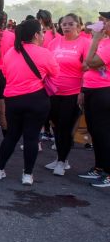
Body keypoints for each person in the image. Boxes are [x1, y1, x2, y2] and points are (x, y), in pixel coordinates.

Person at [0, 19, 59, 185]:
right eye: (42, 32)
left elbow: (7, 74)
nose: (43, 35)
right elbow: (55, 72)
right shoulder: (44, 53)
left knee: (11, 136)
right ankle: (27, 175)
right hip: (37, 99)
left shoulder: (10, 53)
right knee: (31, 138)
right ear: (36, 35)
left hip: (13, 100)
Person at [44, 13, 91, 176]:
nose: (66, 27)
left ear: (79, 26)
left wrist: (82, 91)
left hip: (73, 93)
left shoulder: (85, 43)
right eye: (64, 24)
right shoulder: (54, 42)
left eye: (71, 24)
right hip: (54, 91)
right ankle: (61, 159)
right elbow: (47, 63)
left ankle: (62, 162)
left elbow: (89, 70)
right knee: (56, 127)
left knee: (65, 127)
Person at [79, 12, 110, 187]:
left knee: (104, 132)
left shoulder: (105, 43)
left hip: (104, 91)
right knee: (95, 131)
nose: (102, 24)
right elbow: (85, 64)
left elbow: (90, 63)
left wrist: (95, 41)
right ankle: (99, 167)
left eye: (106, 21)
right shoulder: (104, 42)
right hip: (91, 89)